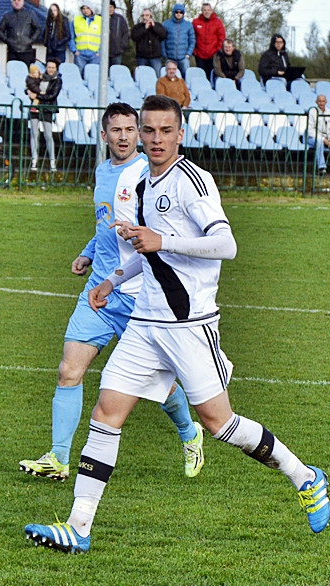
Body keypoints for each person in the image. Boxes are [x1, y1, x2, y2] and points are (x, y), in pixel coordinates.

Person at [24, 94, 330, 554]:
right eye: (148, 130)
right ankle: (79, 527)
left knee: (219, 423)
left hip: (189, 324)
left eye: (164, 131)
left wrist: (161, 238)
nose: (154, 139)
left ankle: (304, 476)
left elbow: (225, 245)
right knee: (106, 413)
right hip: (146, 322)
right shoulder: (142, 185)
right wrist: (111, 279)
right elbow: (147, 252)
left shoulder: (194, 180)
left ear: (180, 132)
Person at [18, 102, 204, 487]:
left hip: (139, 292)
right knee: (69, 369)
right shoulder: (103, 171)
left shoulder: (147, 175)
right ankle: (58, 457)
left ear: (138, 133)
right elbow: (105, 223)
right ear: (104, 135)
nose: (123, 136)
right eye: (115, 130)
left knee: (159, 384)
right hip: (98, 290)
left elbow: (154, 230)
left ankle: (190, 433)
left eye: (129, 129)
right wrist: (88, 253)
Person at [25, 59, 60, 173]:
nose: (50, 70)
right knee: (34, 133)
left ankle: (52, 161)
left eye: (52, 68)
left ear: (56, 69)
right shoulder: (40, 77)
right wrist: (27, 91)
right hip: (36, 108)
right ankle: (34, 159)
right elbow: (30, 86)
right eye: (49, 67)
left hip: (47, 108)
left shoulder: (57, 81)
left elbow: (52, 95)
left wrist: (37, 96)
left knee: (48, 135)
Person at [0, 0, 42, 65]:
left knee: (26, 73)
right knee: (12, 72)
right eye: (14, 0)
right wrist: (7, 40)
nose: (17, 2)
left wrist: (31, 40)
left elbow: (38, 29)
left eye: (19, 0)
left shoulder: (30, 14)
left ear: (23, 2)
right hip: (12, 51)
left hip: (26, 51)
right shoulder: (7, 15)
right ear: (12, 2)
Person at [192, 2, 224, 81]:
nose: (206, 12)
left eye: (208, 10)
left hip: (213, 54)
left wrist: (217, 50)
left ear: (211, 11)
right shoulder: (195, 22)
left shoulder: (217, 22)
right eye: (205, 10)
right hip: (199, 55)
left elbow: (222, 37)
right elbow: (191, 37)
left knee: (212, 75)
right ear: (202, 11)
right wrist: (194, 51)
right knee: (201, 75)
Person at [132, 8, 165, 76]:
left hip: (155, 57)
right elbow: (134, 37)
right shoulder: (137, 27)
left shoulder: (158, 25)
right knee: (142, 77)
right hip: (142, 57)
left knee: (157, 76)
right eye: (143, 15)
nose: (144, 17)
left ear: (151, 16)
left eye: (147, 15)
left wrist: (154, 27)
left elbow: (163, 35)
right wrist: (145, 28)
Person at [162, 3, 194, 73]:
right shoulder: (165, 24)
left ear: (183, 13)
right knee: (169, 77)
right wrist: (165, 55)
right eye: (177, 12)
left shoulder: (188, 25)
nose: (178, 14)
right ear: (173, 12)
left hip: (184, 58)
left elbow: (192, 41)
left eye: (181, 12)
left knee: (186, 76)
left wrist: (188, 54)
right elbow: (162, 41)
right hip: (170, 58)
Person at [70, 2, 100, 72]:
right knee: (79, 74)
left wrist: (100, 51)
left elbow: (104, 37)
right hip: (80, 53)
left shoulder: (100, 20)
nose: (85, 10)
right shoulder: (76, 20)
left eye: (88, 8)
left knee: (93, 75)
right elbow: (71, 36)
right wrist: (74, 50)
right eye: (83, 8)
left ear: (91, 9)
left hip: (94, 54)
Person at [106, 0, 129, 66]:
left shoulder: (120, 19)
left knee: (116, 71)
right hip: (102, 52)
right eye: (107, 7)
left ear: (114, 8)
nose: (109, 9)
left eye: (111, 7)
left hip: (116, 52)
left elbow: (126, 33)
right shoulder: (99, 18)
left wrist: (121, 45)